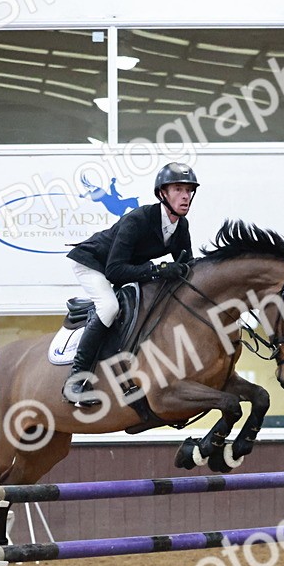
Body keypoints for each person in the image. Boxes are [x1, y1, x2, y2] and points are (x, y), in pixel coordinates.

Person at [63, 162, 199, 405]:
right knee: (109, 307)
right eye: (178, 189)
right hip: (93, 263)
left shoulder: (180, 226)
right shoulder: (137, 220)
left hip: (121, 266)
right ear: (162, 194)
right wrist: (158, 270)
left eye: (189, 190)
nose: (185, 196)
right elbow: (115, 271)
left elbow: (186, 266)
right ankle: (76, 381)